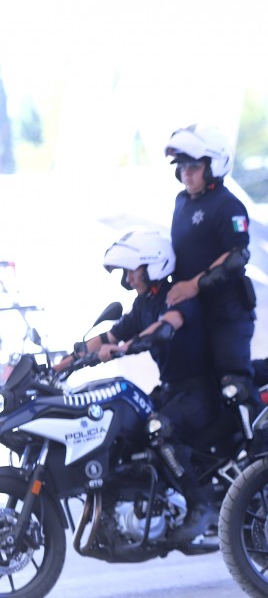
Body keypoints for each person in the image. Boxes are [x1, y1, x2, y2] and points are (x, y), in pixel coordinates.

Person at [55, 231, 219, 544]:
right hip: (171, 389)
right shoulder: (144, 303)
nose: (128, 278)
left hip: (199, 391)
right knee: (125, 430)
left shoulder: (177, 297)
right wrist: (64, 362)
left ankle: (201, 505)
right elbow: (109, 337)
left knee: (159, 429)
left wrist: (126, 347)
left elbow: (164, 329)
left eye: (132, 270)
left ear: (153, 266)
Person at [164, 124, 257, 413]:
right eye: (181, 166)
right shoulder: (181, 201)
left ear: (213, 164)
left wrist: (193, 284)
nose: (186, 173)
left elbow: (236, 256)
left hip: (227, 312)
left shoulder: (228, 206)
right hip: (194, 314)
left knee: (233, 384)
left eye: (193, 166)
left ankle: (260, 449)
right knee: (198, 386)